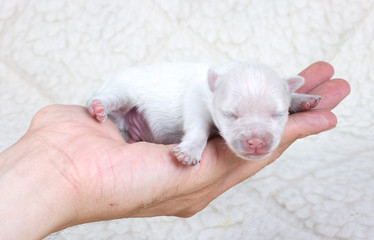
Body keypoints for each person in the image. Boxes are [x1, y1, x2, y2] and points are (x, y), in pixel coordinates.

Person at [0, 62, 350, 240]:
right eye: (231, 115)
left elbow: (270, 97)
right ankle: (104, 102)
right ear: (215, 93)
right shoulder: (208, 84)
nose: (255, 139)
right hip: (133, 108)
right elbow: (197, 108)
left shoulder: (254, 87)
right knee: (120, 90)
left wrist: (292, 102)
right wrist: (195, 142)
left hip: (137, 135)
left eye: (275, 114)